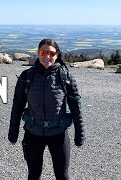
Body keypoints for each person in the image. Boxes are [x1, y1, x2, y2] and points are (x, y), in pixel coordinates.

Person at [8, 39, 84, 180]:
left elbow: (76, 108)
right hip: (33, 134)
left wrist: (79, 135)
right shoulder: (27, 77)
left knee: (62, 176)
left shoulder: (66, 77)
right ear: (38, 53)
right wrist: (13, 133)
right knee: (34, 175)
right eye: (43, 52)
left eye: (51, 53)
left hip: (58, 134)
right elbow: (17, 106)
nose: (47, 56)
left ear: (57, 55)